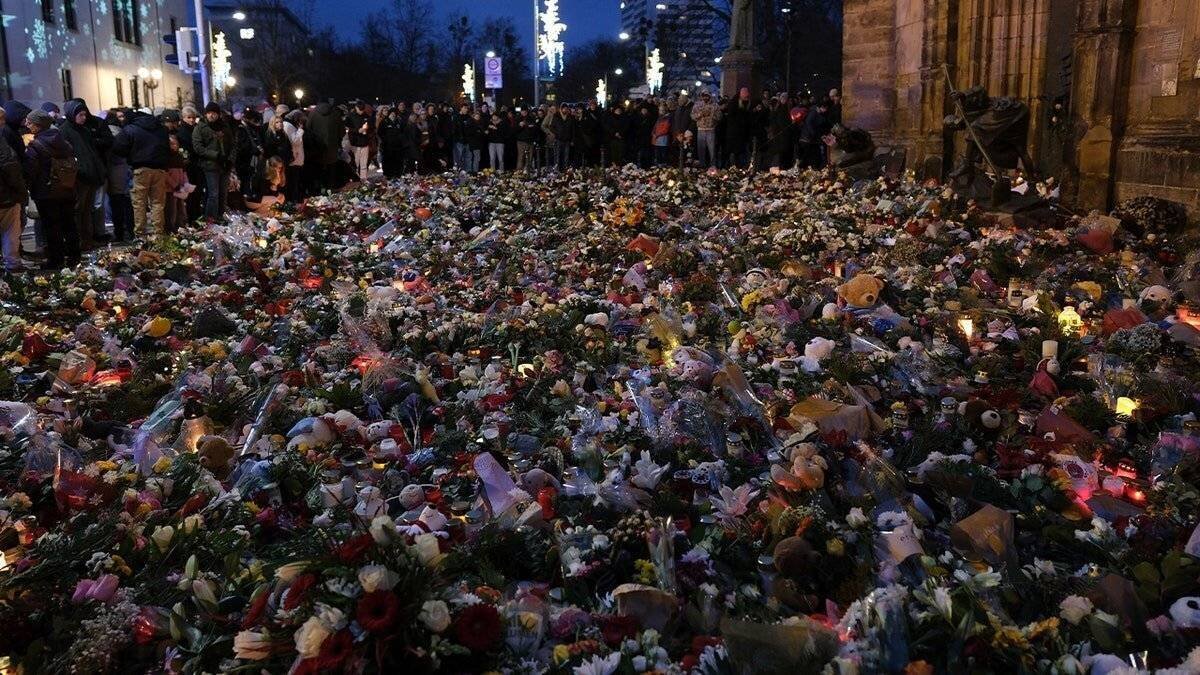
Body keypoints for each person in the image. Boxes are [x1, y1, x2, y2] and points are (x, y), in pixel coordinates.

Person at [23, 109, 78, 269]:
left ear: (38, 125)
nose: (27, 125)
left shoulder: (35, 145)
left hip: (46, 192)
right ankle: (74, 257)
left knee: (51, 227)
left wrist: (29, 185)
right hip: (67, 188)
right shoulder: (63, 143)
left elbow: (30, 170)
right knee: (69, 224)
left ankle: (56, 260)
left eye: (30, 122)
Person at [56, 100, 106, 251]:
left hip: (90, 176)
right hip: (78, 177)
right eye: (80, 115)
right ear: (72, 114)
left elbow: (91, 152)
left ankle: (87, 240)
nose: (84, 118)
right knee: (78, 210)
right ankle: (77, 241)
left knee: (86, 210)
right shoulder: (65, 131)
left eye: (85, 114)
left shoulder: (84, 130)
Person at [112, 109, 170, 237]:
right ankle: (158, 234)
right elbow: (167, 149)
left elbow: (117, 148)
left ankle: (140, 235)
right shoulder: (161, 129)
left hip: (140, 169)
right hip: (159, 170)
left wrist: (131, 154)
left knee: (139, 203)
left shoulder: (130, 129)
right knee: (157, 203)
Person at [192, 102, 236, 219]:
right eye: (209, 113)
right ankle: (211, 219)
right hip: (210, 165)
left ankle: (222, 216)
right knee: (213, 194)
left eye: (214, 113)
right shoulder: (200, 127)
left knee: (223, 193)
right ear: (206, 114)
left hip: (225, 165)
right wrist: (215, 155)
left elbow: (232, 145)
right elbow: (198, 147)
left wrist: (230, 159)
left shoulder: (224, 127)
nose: (211, 115)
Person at [0, 136, 28, 272]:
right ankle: (13, 264)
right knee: (10, 232)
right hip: (6, 197)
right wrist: (21, 192)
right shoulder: (2, 146)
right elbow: (10, 167)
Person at [307, 101, 344, 191]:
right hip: (332, 147)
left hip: (317, 147)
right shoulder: (335, 114)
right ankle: (330, 189)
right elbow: (342, 131)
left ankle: (318, 189)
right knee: (331, 170)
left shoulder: (312, 114)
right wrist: (337, 141)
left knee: (318, 170)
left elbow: (308, 129)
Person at [234, 108, 265, 202]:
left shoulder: (249, 128)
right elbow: (242, 147)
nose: (256, 124)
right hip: (243, 162)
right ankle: (243, 202)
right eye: (254, 121)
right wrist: (256, 150)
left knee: (247, 182)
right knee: (244, 184)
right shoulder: (241, 129)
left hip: (249, 161)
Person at [723, 87, 755, 168]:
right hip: (734, 133)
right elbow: (733, 117)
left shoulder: (746, 103)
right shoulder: (734, 103)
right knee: (734, 151)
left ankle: (739, 166)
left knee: (741, 151)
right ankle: (732, 166)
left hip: (743, 133)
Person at [164, 133, 190, 232]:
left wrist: (186, 183)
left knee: (181, 208)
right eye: (172, 144)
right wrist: (175, 185)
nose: (174, 146)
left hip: (180, 188)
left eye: (176, 144)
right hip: (170, 188)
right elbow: (166, 175)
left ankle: (180, 227)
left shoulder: (179, 157)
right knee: (171, 210)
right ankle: (170, 229)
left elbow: (183, 172)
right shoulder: (166, 157)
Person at [345, 100, 373, 181]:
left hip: (365, 142)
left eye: (362, 109)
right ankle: (355, 179)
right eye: (360, 109)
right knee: (355, 163)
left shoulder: (366, 116)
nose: (361, 111)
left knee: (364, 163)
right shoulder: (350, 116)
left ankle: (363, 179)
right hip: (355, 143)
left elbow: (372, 128)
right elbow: (347, 128)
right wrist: (357, 130)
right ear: (356, 107)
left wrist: (368, 129)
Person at [692, 91, 721, 168]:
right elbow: (692, 116)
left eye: (707, 96)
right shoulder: (697, 105)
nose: (705, 97)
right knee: (701, 149)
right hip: (700, 130)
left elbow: (719, 117)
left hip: (711, 130)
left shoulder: (715, 105)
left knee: (712, 150)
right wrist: (700, 114)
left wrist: (712, 115)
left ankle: (713, 166)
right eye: (704, 96)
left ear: (709, 96)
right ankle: (702, 165)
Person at [378, 106, 408, 178]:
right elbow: (380, 133)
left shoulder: (399, 122)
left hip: (398, 146)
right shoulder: (384, 122)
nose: (393, 115)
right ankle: (388, 175)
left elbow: (404, 132)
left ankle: (398, 175)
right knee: (388, 161)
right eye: (392, 113)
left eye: (395, 114)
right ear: (389, 114)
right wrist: (385, 140)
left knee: (398, 161)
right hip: (387, 146)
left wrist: (401, 140)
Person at [283, 110, 305, 201]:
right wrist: (300, 130)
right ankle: (293, 201)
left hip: (294, 158)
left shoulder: (288, 125)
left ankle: (293, 199)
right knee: (293, 182)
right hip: (294, 159)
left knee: (293, 182)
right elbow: (295, 141)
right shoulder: (288, 126)